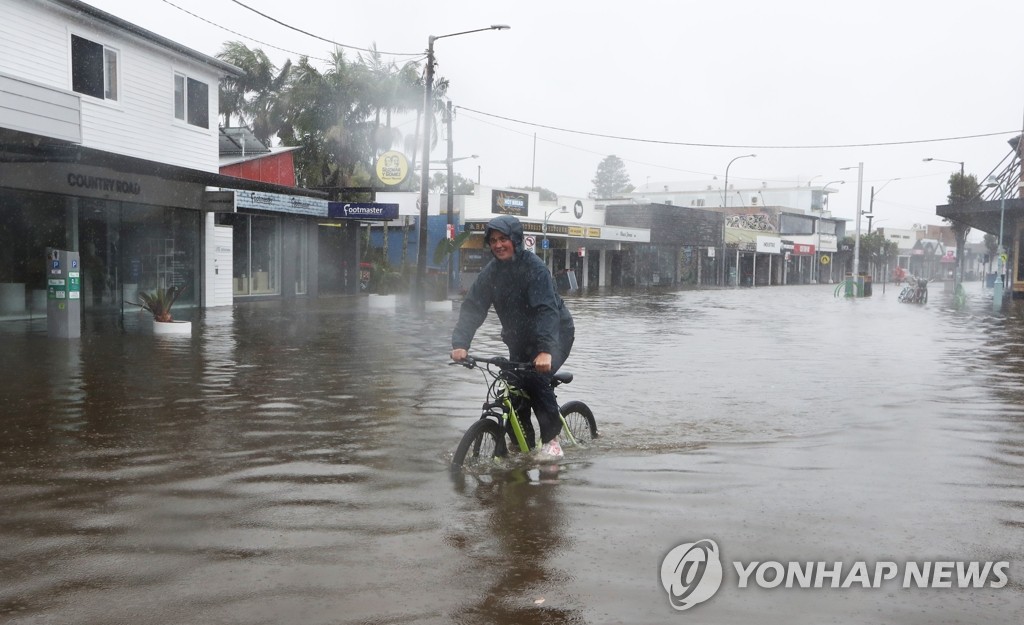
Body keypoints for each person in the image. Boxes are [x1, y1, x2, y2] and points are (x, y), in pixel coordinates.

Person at [450, 215, 575, 461]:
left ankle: (552, 441)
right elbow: (474, 307)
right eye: (493, 240)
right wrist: (461, 344)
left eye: (503, 239)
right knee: (511, 387)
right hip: (519, 340)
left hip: (556, 334)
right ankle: (523, 445)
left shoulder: (535, 269)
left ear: (516, 241)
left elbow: (545, 311)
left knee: (537, 380)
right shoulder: (491, 273)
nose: (498, 245)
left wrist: (546, 350)